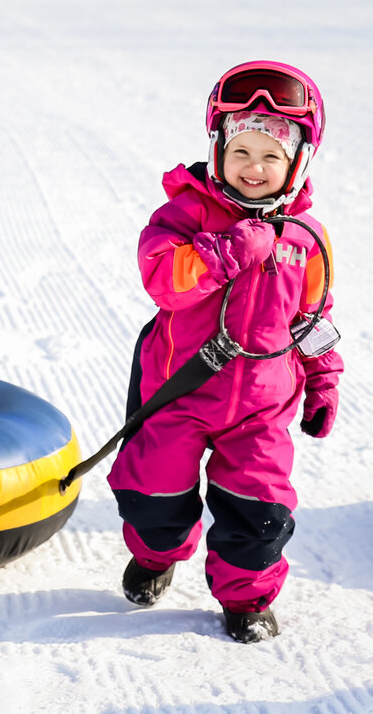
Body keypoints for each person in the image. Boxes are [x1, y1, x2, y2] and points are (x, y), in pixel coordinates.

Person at [107, 61, 344, 643]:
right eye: (241, 152)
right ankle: (157, 556)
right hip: (179, 392)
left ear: (297, 162)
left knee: (258, 512)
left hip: (261, 409)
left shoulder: (306, 240)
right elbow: (164, 280)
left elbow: (314, 317)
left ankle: (247, 599)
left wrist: (324, 379)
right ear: (217, 151)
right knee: (153, 499)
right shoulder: (184, 216)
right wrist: (228, 249)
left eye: (271, 156)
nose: (254, 168)